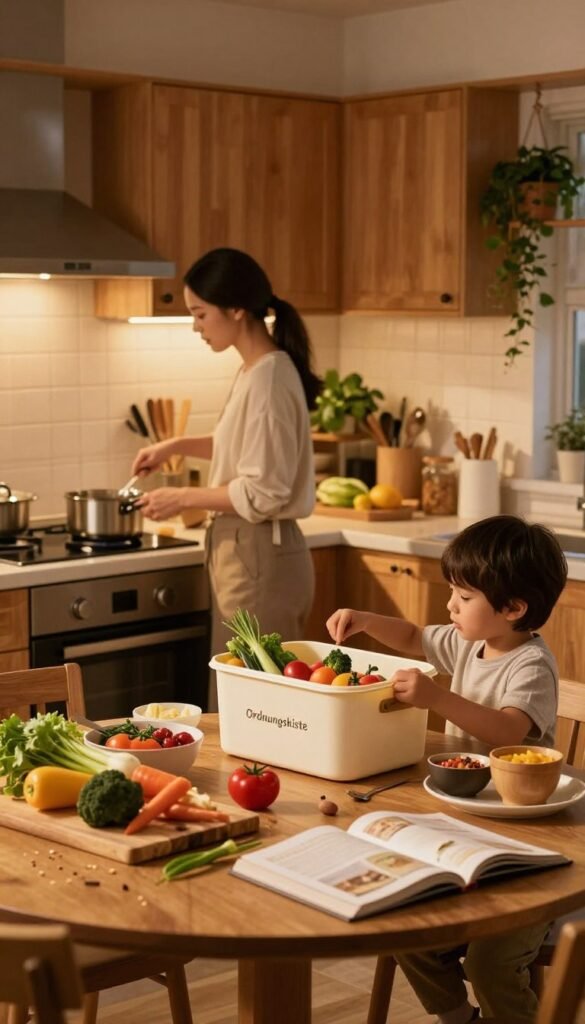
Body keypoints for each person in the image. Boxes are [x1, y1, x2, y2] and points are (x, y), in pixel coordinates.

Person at [326, 515, 568, 1024]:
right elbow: (413, 635)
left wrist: (438, 695)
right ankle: (459, 1018)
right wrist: (367, 619)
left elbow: (508, 732)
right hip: (465, 825)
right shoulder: (467, 642)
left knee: (492, 961)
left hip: (529, 845)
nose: (450, 606)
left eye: (463, 596)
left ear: (513, 608)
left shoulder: (530, 665)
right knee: (406, 923)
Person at [132, 247, 320, 709]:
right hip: (247, 552)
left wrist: (180, 497)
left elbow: (263, 489)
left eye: (200, 314)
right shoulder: (255, 370)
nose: (195, 326)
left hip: (260, 552)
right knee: (243, 695)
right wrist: (173, 447)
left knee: (259, 705)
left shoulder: (270, 378)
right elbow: (241, 448)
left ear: (236, 309)